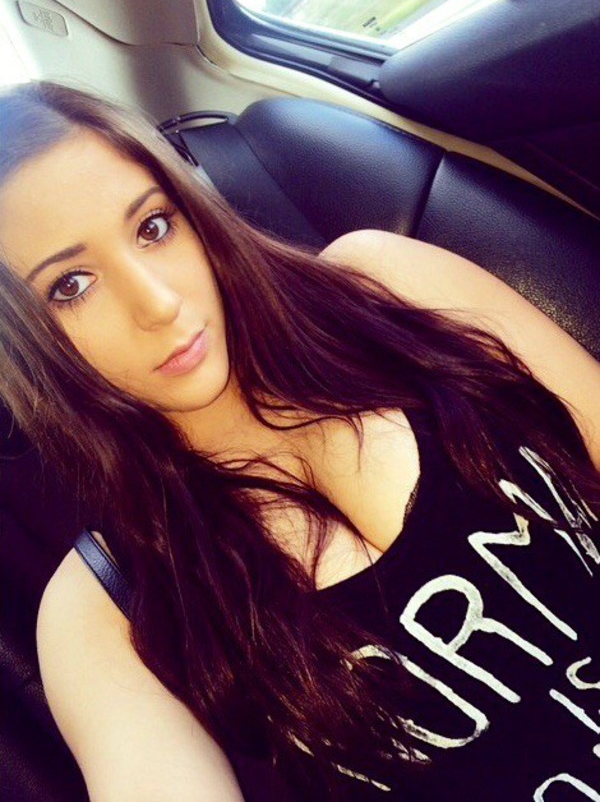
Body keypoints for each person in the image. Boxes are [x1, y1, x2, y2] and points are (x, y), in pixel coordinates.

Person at [0, 81, 598, 802]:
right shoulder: (103, 611)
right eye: (71, 286)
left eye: (153, 227)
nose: (158, 303)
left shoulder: (388, 286)